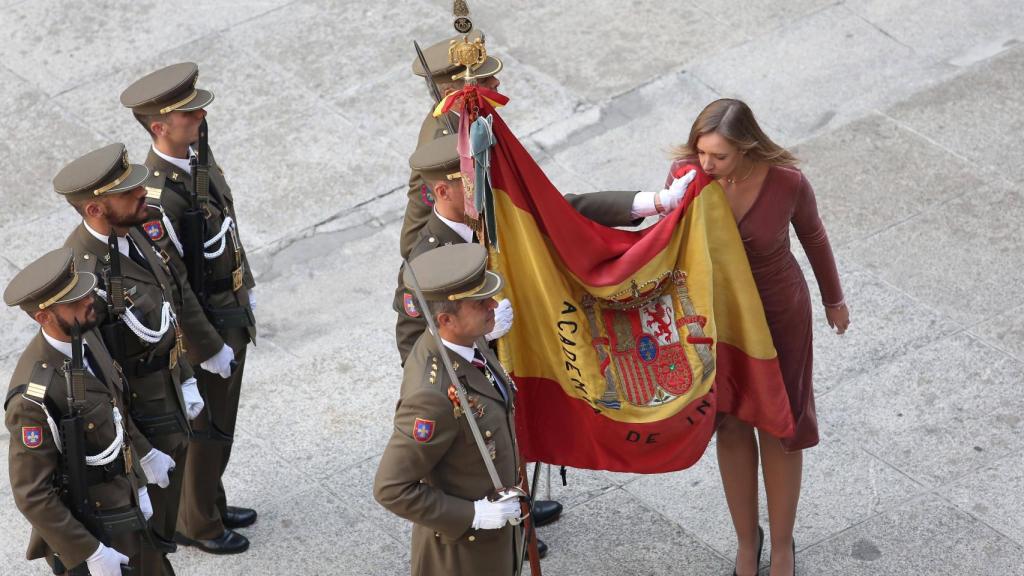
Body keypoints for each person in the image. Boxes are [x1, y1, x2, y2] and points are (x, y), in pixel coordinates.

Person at [666, 98, 849, 576]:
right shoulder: (685, 175)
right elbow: (665, 240)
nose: (706, 164)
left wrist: (835, 300)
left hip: (777, 313)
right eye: (701, 152)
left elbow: (815, 238)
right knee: (728, 421)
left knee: (780, 425)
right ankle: (748, 543)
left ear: (746, 148)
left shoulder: (786, 181)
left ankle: (783, 546)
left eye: (719, 156)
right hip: (717, 316)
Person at [120, 62, 257, 554]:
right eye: (188, 113)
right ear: (160, 127)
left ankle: (210, 503)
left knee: (221, 426)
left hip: (229, 312)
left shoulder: (196, 160)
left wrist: (248, 286)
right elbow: (174, 288)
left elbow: (228, 229)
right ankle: (196, 522)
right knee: (207, 430)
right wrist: (210, 347)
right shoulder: (157, 200)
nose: (200, 117)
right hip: (207, 333)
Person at [54, 142, 206, 573]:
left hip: (168, 403)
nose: (143, 194)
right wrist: (141, 454)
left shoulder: (134, 227)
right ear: (96, 211)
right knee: (146, 544)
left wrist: (189, 374)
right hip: (138, 424)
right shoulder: (83, 279)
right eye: (128, 193)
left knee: (162, 527)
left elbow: (170, 304)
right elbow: (99, 378)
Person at [375, 243, 527, 575]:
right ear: (445, 319)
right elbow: (390, 488)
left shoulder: (466, 342)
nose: (493, 305)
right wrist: (473, 515)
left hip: (499, 538)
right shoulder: (430, 398)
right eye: (480, 303)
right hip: (464, 557)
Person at [4, 247, 151, 576]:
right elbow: (32, 493)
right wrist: (90, 552)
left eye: (84, 290)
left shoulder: (84, 332)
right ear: (44, 317)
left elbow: (115, 415)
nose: (88, 300)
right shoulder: (32, 398)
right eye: (74, 300)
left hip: (122, 506)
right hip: (91, 529)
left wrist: (138, 481)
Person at [400, 30, 503, 260]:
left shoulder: (471, 116)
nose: (496, 82)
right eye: (484, 80)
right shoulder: (444, 144)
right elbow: (421, 226)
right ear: (451, 94)